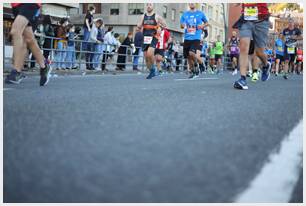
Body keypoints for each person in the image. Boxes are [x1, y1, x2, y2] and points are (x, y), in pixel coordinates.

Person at [5, 3, 51, 86]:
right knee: (29, 39)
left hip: (30, 4)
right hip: (15, 6)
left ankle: (17, 71)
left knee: (16, 31)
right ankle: (44, 66)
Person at [233, 3, 272, 90]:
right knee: (243, 48)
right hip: (246, 20)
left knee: (259, 52)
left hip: (261, 21)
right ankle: (242, 79)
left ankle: (266, 65)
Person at [137, 3, 167, 79]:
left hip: (154, 37)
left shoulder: (157, 16)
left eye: (150, 5)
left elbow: (165, 24)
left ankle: (154, 69)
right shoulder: (143, 16)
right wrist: (139, 26)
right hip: (145, 38)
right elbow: (139, 25)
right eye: (147, 5)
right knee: (146, 58)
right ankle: (152, 70)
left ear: (153, 7)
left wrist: (160, 27)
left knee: (150, 54)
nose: (148, 6)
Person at [180, 3, 208, 79]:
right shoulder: (185, 14)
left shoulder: (200, 13)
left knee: (192, 53)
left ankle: (201, 63)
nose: (191, 3)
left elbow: (207, 23)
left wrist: (202, 26)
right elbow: (181, 25)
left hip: (196, 37)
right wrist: (182, 25)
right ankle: (194, 71)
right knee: (188, 57)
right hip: (187, 38)